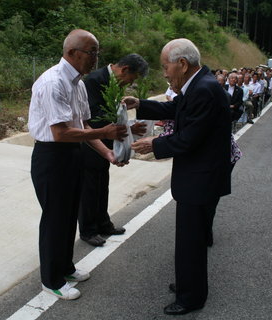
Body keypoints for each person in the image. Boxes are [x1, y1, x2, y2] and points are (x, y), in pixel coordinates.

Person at [123, 38, 231, 316]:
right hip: (197, 177)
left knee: (191, 242)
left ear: (182, 64)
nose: (165, 73)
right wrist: (141, 104)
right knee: (189, 239)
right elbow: (175, 110)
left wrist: (153, 145)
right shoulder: (198, 85)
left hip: (200, 179)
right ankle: (187, 283)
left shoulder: (204, 89)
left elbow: (189, 139)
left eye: (165, 66)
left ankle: (191, 297)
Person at [28, 29, 127, 300]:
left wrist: (106, 152)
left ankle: (66, 267)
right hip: (51, 157)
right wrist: (104, 133)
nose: (95, 58)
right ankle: (51, 280)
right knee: (54, 219)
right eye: (91, 52)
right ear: (72, 53)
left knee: (70, 214)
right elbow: (60, 132)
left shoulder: (78, 84)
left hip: (73, 153)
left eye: (97, 52)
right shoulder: (53, 82)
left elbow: (82, 126)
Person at [79, 54, 149, 247]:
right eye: (132, 79)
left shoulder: (114, 83)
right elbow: (92, 118)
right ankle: (88, 230)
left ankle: (103, 223)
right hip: (91, 143)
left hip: (107, 143)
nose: (129, 83)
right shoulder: (94, 80)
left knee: (102, 186)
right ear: (125, 70)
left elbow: (114, 114)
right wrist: (126, 129)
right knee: (89, 189)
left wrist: (128, 127)